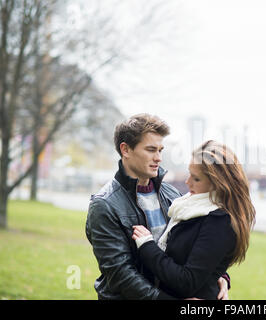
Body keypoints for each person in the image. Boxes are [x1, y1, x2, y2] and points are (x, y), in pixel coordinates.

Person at [85, 114, 230, 300]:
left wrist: (220, 276)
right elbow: (120, 275)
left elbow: (199, 250)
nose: (158, 158)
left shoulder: (174, 196)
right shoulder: (104, 205)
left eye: (161, 150)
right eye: (151, 150)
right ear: (126, 150)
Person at [132, 140, 256, 300]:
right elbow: (202, 261)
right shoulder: (189, 205)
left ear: (218, 184)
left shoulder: (220, 221)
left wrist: (147, 245)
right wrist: (220, 276)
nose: (187, 182)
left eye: (196, 179)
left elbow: (187, 281)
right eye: (189, 173)